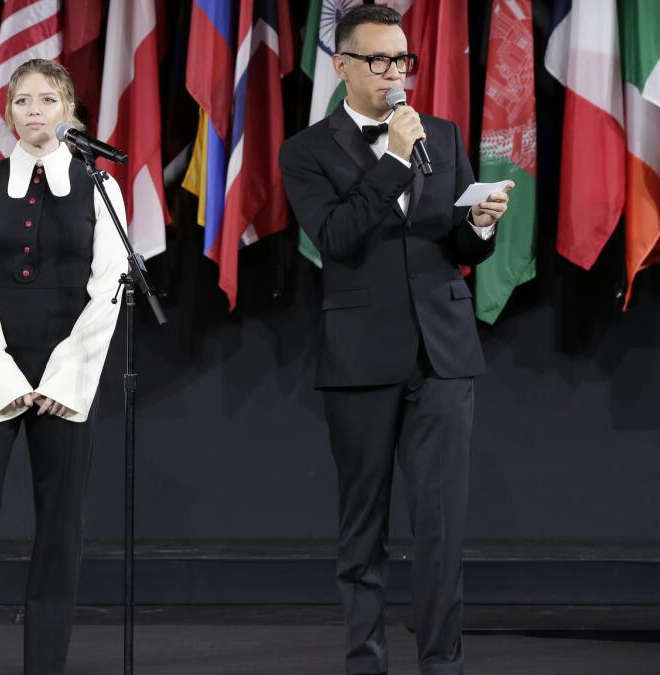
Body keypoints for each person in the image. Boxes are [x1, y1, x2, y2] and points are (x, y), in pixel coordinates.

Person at [278, 6, 513, 675]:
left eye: (402, 60)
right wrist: (395, 159)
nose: (394, 74)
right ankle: (366, 661)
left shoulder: (441, 131)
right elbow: (337, 237)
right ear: (342, 64)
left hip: (443, 353)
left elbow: (453, 242)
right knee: (363, 533)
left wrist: (482, 225)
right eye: (378, 60)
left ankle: (441, 661)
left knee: (442, 527)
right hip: (360, 357)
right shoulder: (308, 150)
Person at [0, 58, 128, 675]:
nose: (33, 112)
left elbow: (110, 287)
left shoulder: (101, 186)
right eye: (21, 101)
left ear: (69, 112)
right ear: (7, 115)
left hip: (67, 372)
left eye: (47, 100)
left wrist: (61, 381)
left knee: (61, 522)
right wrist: (1, 376)